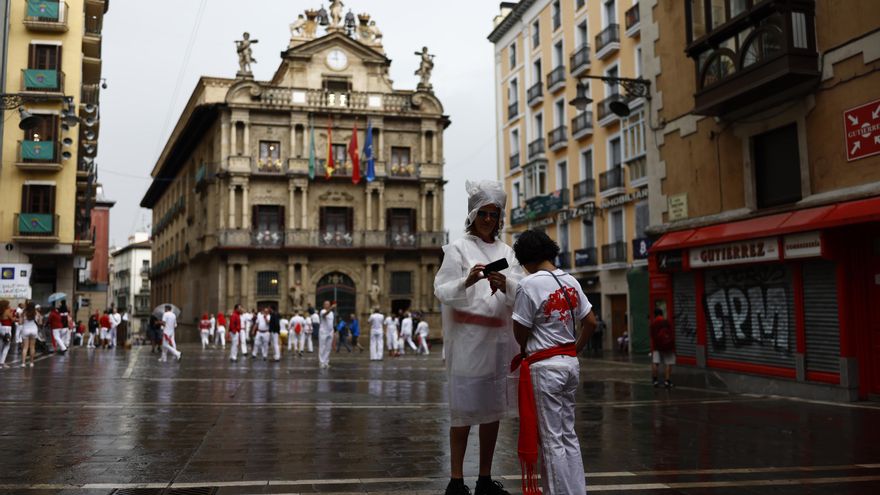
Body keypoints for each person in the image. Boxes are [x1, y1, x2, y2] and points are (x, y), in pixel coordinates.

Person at [433, 179, 523, 495]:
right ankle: (456, 481)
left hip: (498, 343)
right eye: (483, 213)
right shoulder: (457, 249)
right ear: (473, 214)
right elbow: (441, 291)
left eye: (493, 214)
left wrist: (506, 284)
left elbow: (522, 292)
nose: (488, 219)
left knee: (492, 411)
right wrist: (468, 281)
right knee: (464, 411)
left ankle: (484, 478)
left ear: (500, 218)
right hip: (468, 343)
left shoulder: (508, 252)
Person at [510, 229, 596, 495]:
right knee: (568, 434)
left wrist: (525, 346)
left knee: (550, 440)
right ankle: (577, 491)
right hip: (570, 363)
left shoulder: (530, 284)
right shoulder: (571, 280)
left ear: (527, 258)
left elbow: (520, 330)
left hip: (545, 367)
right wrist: (575, 349)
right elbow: (591, 322)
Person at [650, 308, 675, 389]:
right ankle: (667, 381)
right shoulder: (667, 321)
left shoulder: (653, 323)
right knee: (668, 363)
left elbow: (651, 335)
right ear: (662, 314)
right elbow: (671, 333)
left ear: (655, 315)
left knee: (655, 363)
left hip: (657, 346)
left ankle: (655, 381)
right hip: (667, 346)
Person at [18, 301, 41, 367]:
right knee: (32, 347)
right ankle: (31, 363)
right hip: (34, 330)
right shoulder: (36, 313)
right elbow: (40, 323)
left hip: (25, 329)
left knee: (25, 347)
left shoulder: (23, 313)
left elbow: (20, 322)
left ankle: (23, 363)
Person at [318, 300, 335, 369]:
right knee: (322, 347)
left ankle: (326, 362)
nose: (327, 305)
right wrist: (331, 308)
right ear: (324, 305)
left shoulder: (332, 313)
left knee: (328, 348)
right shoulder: (322, 311)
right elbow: (325, 314)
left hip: (330, 331)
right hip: (323, 332)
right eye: (326, 304)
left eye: (328, 304)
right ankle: (321, 362)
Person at [0, 300, 14, 367]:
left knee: (1, 345)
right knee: (7, 346)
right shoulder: (7, 311)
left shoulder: (1, 311)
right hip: (7, 329)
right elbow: (12, 319)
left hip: (1, 327)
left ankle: (1, 361)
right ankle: (2, 362)